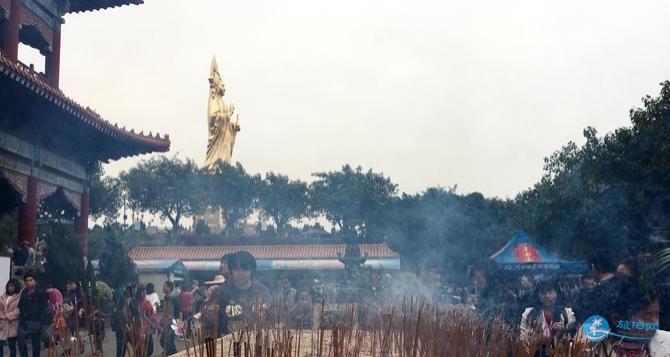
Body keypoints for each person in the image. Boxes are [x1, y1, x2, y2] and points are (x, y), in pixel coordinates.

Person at [217, 251, 271, 335]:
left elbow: (271, 318)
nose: (240, 273)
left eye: (245, 269)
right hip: (230, 342)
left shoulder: (262, 291)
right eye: (236, 269)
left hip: (257, 340)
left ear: (252, 270)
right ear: (231, 270)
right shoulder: (222, 292)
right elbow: (213, 321)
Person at [519, 280, 576, 357]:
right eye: (543, 293)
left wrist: (564, 330)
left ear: (557, 294)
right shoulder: (528, 314)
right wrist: (535, 339)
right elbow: (522, 339)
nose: (547, 296)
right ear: (538, 296)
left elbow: (574, 339)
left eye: (550, 292)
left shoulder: (568, 313)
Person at [17, 273, 46, 357]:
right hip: (23, 322)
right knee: (21, 343)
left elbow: (44, 309)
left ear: (35, 282)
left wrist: (42, 324)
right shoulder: (23, 293)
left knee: (36, 346)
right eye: (26, 281)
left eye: (30, 280)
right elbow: (20, 305)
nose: (28, 282)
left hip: (35, 322)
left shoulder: (40, 294)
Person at [0, 279, 22, 357]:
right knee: (0, 345)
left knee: (12, 346)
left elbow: (19, 309)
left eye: (12, 286)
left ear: (16, 287)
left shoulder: (20, 297)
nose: (10, 288)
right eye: (9, 286)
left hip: (12, 324)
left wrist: (8, 316)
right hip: (2, 324)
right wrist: (2, 316)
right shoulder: (2, 297)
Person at [160, 281, 179, 355]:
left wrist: (178, 325)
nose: (163, 288)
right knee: (163, 341)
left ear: (169, 287)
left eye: (164, 286)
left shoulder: (174, 298)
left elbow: (179, 311)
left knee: (168, 341)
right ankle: (174, 353)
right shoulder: (165, 298)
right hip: (165, 323)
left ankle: (170, 353)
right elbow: (165, 310)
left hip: (172, 324)